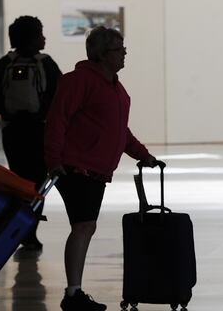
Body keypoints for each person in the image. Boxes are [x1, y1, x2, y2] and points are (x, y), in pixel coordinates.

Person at [45, 26, 156, 311]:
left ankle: (74, 292)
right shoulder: (78, 81)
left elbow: (119, 131)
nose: (124, 54)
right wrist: (54, 161)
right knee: (83, 226)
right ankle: (73, 294)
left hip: (95, 170)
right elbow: (57, 120)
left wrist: (143, 155)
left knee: (85, 226)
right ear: (102, 54)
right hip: (76, 167)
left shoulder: (116, 87)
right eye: (119, 49)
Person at [0, 15, 62, 251]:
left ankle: (17, 228)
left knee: (17, 181)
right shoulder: (46, 64)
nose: (44, 38)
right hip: (39, 131)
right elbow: (60, 96)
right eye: (40, 34)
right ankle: (29, 231)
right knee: (37, 183)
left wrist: (8, 113)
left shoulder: (4, 64)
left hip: (13, 132)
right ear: (32, 38)